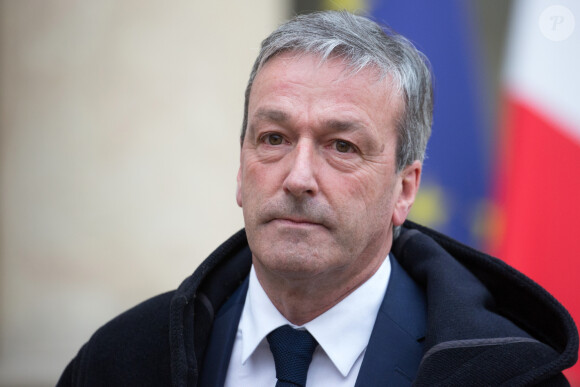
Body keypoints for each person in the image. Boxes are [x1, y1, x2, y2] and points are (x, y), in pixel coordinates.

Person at [57, 10, 578, 387]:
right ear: (241, 169)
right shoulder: (120, 360)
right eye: (274, 139)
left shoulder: (508, 376)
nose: (297, 177)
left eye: (342, 146)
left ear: (405, 189)